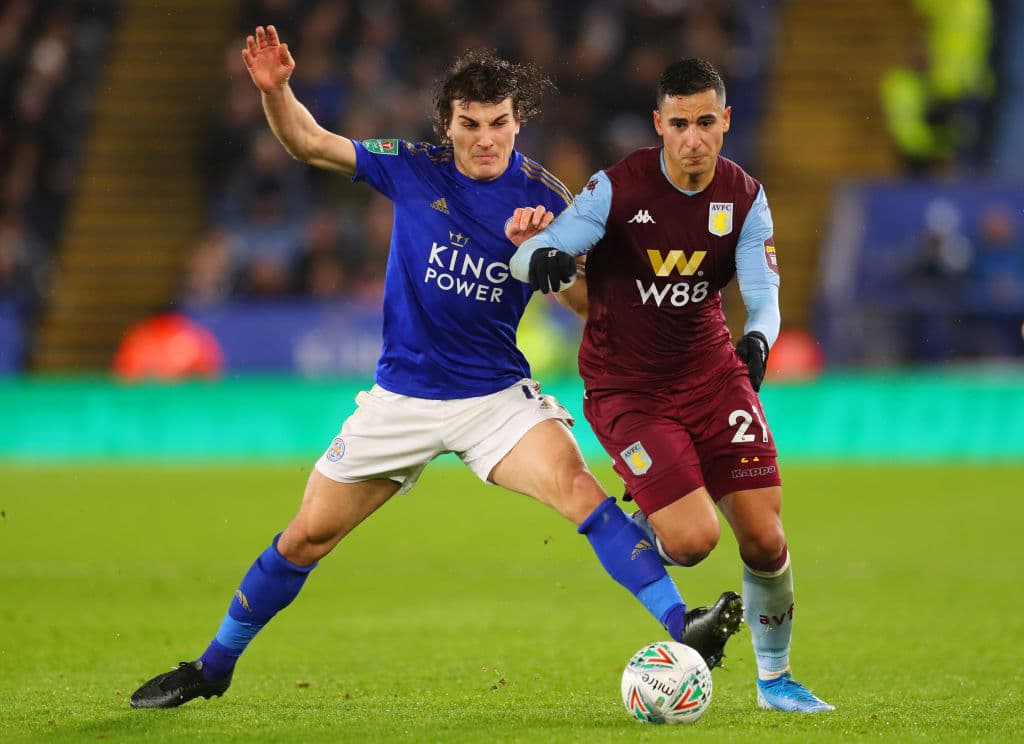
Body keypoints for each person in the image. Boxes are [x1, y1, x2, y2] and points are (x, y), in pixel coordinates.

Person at [129, 27, 742, 709]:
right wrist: (276, 91)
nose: (486, 138)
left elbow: (588, 304)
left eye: (499, 123)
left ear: (518, 122)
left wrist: (547, 257)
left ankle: (681, 625)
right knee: (306, 536)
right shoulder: (411, 166)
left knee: (578, 489)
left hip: (494, 399)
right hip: (402, 398)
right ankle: (212, 668)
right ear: (446, 126)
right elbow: (308, 141)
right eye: (470, 124)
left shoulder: (547, 199)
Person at [509, 58, 834, 713]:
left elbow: (764, 293)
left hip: (712, 375)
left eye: (706, 122)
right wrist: (541, 257)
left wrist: (759, 341)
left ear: (725, 123)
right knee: (692, 542)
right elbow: (536, 251)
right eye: (680, 123)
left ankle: (776, 681)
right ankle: (651, 523)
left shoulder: (743, 196)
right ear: (659, 124)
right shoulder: (616, 188)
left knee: (766, 539)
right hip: (628, 390)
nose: (693, 137)